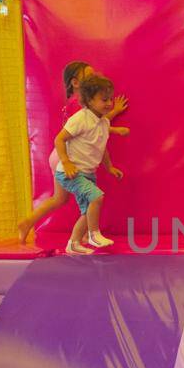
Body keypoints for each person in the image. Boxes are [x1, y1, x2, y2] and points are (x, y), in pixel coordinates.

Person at [17, 60, 128, 243]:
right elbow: (95, 124)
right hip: (66, 156)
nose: (94, 79)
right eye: (89, 76)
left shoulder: (75, 102)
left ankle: (28, 222)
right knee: (90, 196)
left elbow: (96, 123)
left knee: (60, 199)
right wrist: (114, 114)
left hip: (61, 154)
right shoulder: (79, 104)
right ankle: (86, 235)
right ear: (76, 83)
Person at [57, 73, 124, 256]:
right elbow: (59, 139)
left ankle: (74, 243)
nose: (109, 103)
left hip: (87, 173)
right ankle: (94, 234)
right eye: (104, 100)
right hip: (70, 172)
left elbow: (102, 148)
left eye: (110, 99)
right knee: (97, 197)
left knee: (88, 212)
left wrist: (109, 167)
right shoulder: (80, 118)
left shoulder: (103, 122)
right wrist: (66, 162)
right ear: (89, 101)